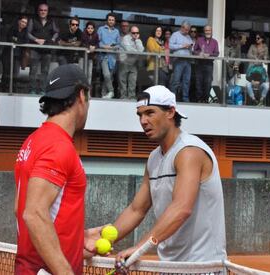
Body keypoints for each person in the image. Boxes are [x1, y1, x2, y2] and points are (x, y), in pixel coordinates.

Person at [87, 85, 227, 264]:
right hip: (169, 264)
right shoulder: (154, 158)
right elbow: (136, 210)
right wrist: (102, 240)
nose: (143, 121)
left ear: (170, 112)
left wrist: (140, 247)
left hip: (202, 266)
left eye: (150, 113)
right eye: (140, 115)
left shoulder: (189, 151)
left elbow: (181, 208)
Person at [14, 64, 92, 274]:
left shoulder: (32, 141)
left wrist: (78, 238)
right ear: (81, 96)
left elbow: (20, 209)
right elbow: (34, 213)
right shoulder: (59, 146)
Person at [27, 3, 59, 94]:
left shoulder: (51, 21)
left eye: (45, 10)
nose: (43, 12)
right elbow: (28, 33)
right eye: (41, 10)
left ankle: (42, 90)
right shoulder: (33, 20)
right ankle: (32, 90)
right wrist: (36, 40)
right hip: (35, 49)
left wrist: (52, 39)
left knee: (45, 71)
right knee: (33, 70)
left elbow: (56, 32)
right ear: (38, 11)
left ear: (47, 12)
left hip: (47, 49)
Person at [0, 15, 29, 93]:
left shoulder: (25, 31)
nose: (23, 24)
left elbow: (25, 41)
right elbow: (10, 38)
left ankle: (13, 89)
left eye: (25, 23)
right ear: (19, 21)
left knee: (15, 74)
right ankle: (4, 89)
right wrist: (19, 41)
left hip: (18, 56)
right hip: (7, 54)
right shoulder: (12, 28)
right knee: (6, 72)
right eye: (22, 21)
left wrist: (17, 40)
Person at [193, 25, 219, 103]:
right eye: (206, 30)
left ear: (211, 31)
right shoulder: (199, 40)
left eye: (209, 30)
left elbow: (217, 53)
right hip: (199, 64)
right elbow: (194, 51)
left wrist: (209, 55)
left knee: (208, 82)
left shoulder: (215, 41)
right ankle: (199, 100)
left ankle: (205, 100)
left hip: (209, 64)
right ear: (204, 32)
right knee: (198, 82)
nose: (208, 32)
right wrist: (199, 53)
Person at [97, 13, 120, 99]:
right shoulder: (101, 29)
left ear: (114, 21)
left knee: (109, 77)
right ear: (107, 20)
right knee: (106, 75)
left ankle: (104, 94)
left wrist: (113, 47)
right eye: (109, 19)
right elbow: (98, 42)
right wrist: (105, 46)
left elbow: (118, 45)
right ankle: (111, 91)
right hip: (104, 56)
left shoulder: (116, 31)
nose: (111, 21)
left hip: (113, 58)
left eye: (112, 20)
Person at [169, 21, 194, 102]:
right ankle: (172, 99)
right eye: (186, 30)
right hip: (178, 60)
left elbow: (191, 48)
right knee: (176, 81)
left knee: (187, 81)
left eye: (188, 30)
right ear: (182, 27)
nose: (187, 31)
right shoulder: (175, 35)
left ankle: (185, 98)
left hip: (187, 61)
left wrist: (191, 48)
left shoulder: (188, 37)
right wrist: (182, 46)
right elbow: (170, 46)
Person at [118, 25, 144, 99]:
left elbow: (141, 51)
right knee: (123, 82)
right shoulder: (125, 38)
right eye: (133, 33)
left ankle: (131, 97)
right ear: (130, 33)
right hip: (124, 62)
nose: (135, 34)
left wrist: (136, 41)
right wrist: (137, 52)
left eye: (137, 33)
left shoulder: (138, 40)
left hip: (133, 64)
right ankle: (123, 97)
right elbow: (128, 49)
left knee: (132, 82)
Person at [80, 21, 99, 86]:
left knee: (89, 73)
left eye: (91, 28)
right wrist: (89, 46)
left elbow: (98, 44)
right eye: (88, 28)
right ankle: (81, 88)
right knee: (82, 73)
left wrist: (94, 47)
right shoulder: (83, 34)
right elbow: (82, 43)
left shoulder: (96, 35)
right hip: (83, 57)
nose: (90, 30)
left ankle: (87, 89)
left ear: (94, 29)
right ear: (86, 28)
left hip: (90, 57)